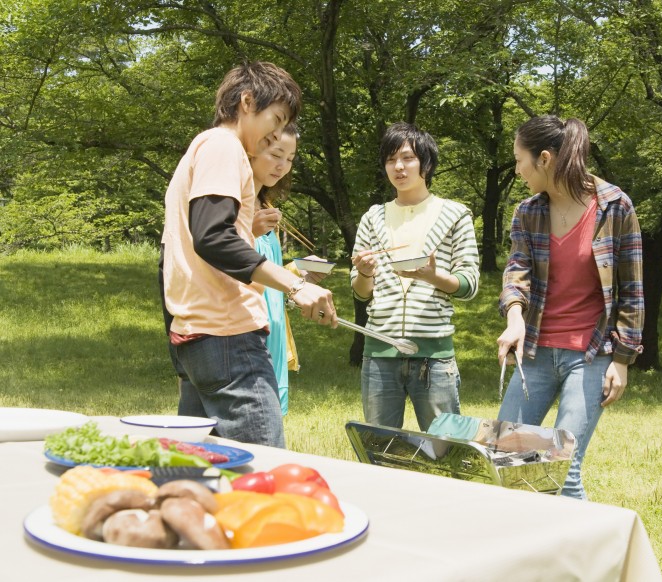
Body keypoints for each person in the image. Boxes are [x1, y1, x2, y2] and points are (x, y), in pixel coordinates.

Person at [159, 62, 337, 447]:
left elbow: (174, 254)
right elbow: (213, 237)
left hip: (195, 338)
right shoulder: (223, 146)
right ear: (246, 101)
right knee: (263, 473)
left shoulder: (201, 150)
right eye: (275, 119)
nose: (275, 134)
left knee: (193, 472)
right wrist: (295, 285)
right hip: (228, 340)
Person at [496, 114, 644, 500]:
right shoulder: (528, 212)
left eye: (518, 160)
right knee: (506, 457)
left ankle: (579, 560)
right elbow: (517, 272)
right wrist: (514, 320)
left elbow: (631, 289)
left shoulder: (615, 207)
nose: (517, 170)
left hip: (591, 355)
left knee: (564, 470)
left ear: (544, 158)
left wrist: (623, 361)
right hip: (537, 354)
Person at [350, 122, 480, 432]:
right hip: (379, 352)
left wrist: (434, 277)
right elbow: (360, 292)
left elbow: (470, 283)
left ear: (426, 162)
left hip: (434, 358)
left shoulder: (454, 215)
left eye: (408, 158)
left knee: (445, 447)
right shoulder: (373, 217)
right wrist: (365, 274)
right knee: (380, 451)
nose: (399, 166)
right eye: (391, 159)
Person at [250, 123, 327, 416]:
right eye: (276, 154)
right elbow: (220, 259)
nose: (282, 166)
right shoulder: (232, 205)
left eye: (290, 159)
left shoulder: (266, 204)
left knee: (273, 415)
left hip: (275, 326)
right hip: (245, 327)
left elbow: (265, 270)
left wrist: (300, 273)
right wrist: (248, 229)